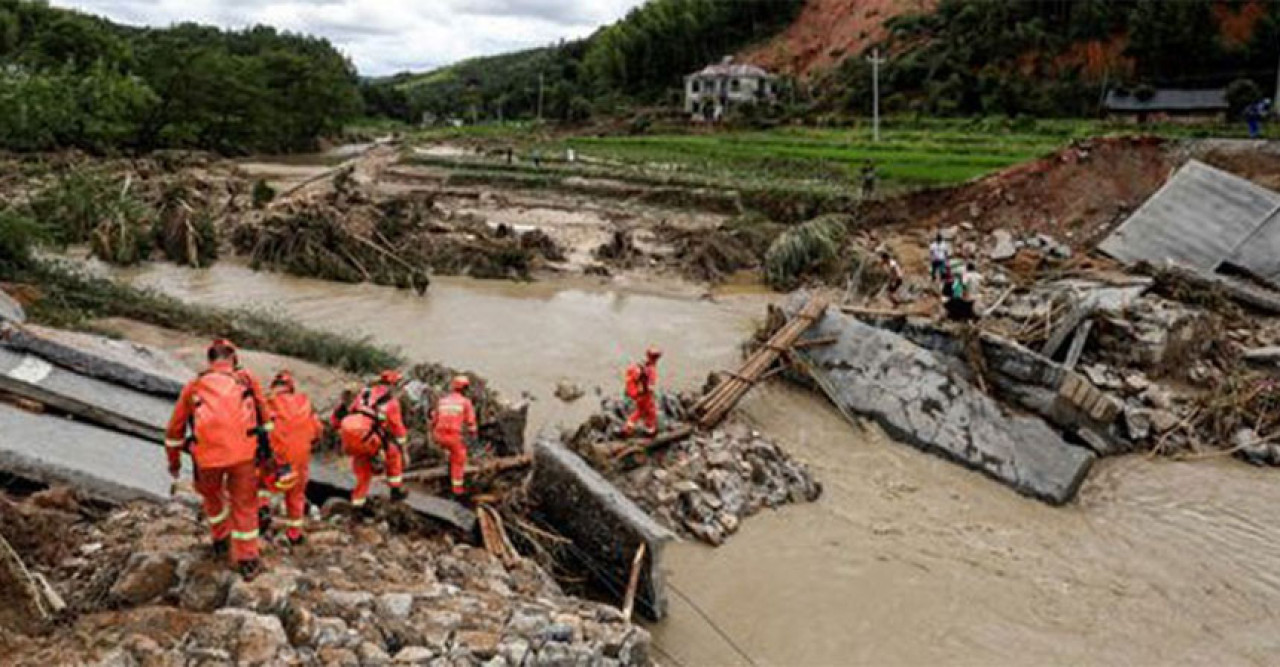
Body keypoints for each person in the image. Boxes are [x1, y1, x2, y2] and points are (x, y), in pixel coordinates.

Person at [165, 339, 270, 579]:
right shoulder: (246, 380)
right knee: (244, 503)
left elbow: (174, 430)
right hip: (243, 454)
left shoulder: (195, 386)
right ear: (233, 359)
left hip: (207, 458)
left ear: (210, 360)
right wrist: (269, 454)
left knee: (211, 495)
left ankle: (221, 538)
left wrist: (174, 462)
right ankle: (247, 559)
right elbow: (265, 416)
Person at [263, 371, 322, 546]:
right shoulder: (305, 403)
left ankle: (262, 510)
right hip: (300, 457)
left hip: (276, 456)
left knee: (260, 485)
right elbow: (318, 430)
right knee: (296, 494)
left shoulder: (266, 402)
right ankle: (294, 533)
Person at [338, 370, 409, 514]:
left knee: (362, 471)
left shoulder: (364, 393)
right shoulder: (391, 402)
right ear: (393, 384)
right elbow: (398, 429)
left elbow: (352, 410)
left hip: (351, 434)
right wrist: (404, 449)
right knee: (393, 454)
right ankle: (396, 490)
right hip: (369, 436)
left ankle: (357, 503)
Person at [431, 376, 479, 498]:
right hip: (453, 437)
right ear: (465, 389)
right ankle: (457, 489)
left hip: (438, 435)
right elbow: (471, 423)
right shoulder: (465, 402)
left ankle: (444, 465)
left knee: (447, 451)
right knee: (458, 460)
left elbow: (434, 420)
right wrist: (473, 436)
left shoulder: (442, 401)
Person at [622, 347, 662, 438]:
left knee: (640, 411)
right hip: (645, 395)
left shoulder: (642, 365)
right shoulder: (651, 370)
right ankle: (650, 430)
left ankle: (628, 426)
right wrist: (653, 394)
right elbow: (650, 386)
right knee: (651, 412)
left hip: (638, 394)